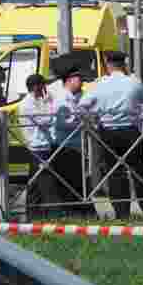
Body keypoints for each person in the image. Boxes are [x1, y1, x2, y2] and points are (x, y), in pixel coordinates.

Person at [79, 51, 143, 220]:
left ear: (107, 65)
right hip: (131, 131)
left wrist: (93, 119)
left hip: (107, 132)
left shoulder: (99, 84)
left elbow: (83, 105)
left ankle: (122, 212)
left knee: (114, 172)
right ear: (124, 65)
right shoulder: (133, 82)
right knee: (138, 170)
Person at [52, 65, 98, 218]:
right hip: (65, 146)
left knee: (77, 182)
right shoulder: (62, 98)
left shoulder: (73, 97)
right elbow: (61, 122)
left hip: (74, 146)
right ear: (69, 80)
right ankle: (80, 213)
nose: (82, 83)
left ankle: (81, 212)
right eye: (79, 79)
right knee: (73, 183)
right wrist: (81, 121)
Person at [19, 73, 58, 219]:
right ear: (36, 87)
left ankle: (33, 213)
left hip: (43, 144)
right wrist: (51, 104)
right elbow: (44, 120)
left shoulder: (38, 101)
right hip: (37, 146)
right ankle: (53, 213)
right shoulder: (28, 104)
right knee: (45, 180)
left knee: (35, 182)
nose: (45, 88)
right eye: (43, 85)